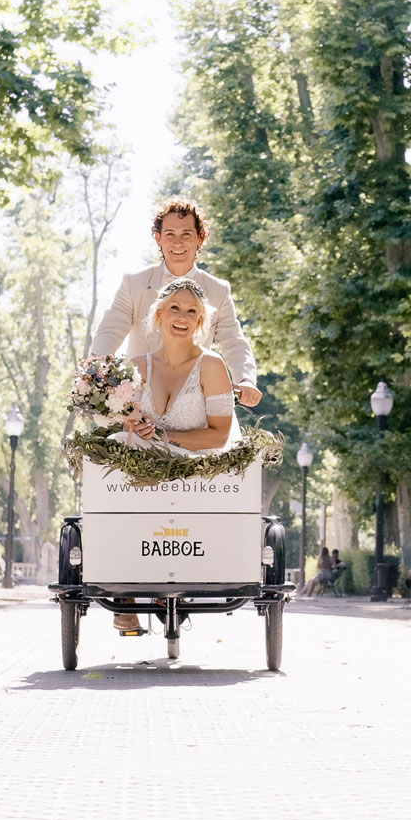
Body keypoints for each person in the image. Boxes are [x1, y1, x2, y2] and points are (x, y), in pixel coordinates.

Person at [109, 278, 238, 629]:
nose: (182, 316)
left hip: (191, 465)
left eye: (192, 311)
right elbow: (127, 418)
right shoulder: (137, 366)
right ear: (159, 315)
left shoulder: (212, 367)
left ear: (200, 323)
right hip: (142, 461)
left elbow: (220, 435)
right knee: (119, 445)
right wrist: (136, 425)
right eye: (175, 309)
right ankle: (124, 587)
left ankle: (164, 579)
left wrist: (169, 436)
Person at [92, 197, 262, 407]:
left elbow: (233, 342)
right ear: (158, 238)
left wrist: (245, 379)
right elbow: (110, 330)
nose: (177, 242)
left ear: (200, 238)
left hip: (193, 406)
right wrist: (97, 370)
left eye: (186, 234)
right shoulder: (133, 283)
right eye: (170, 234)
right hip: (135, 402)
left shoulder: (218, 291)